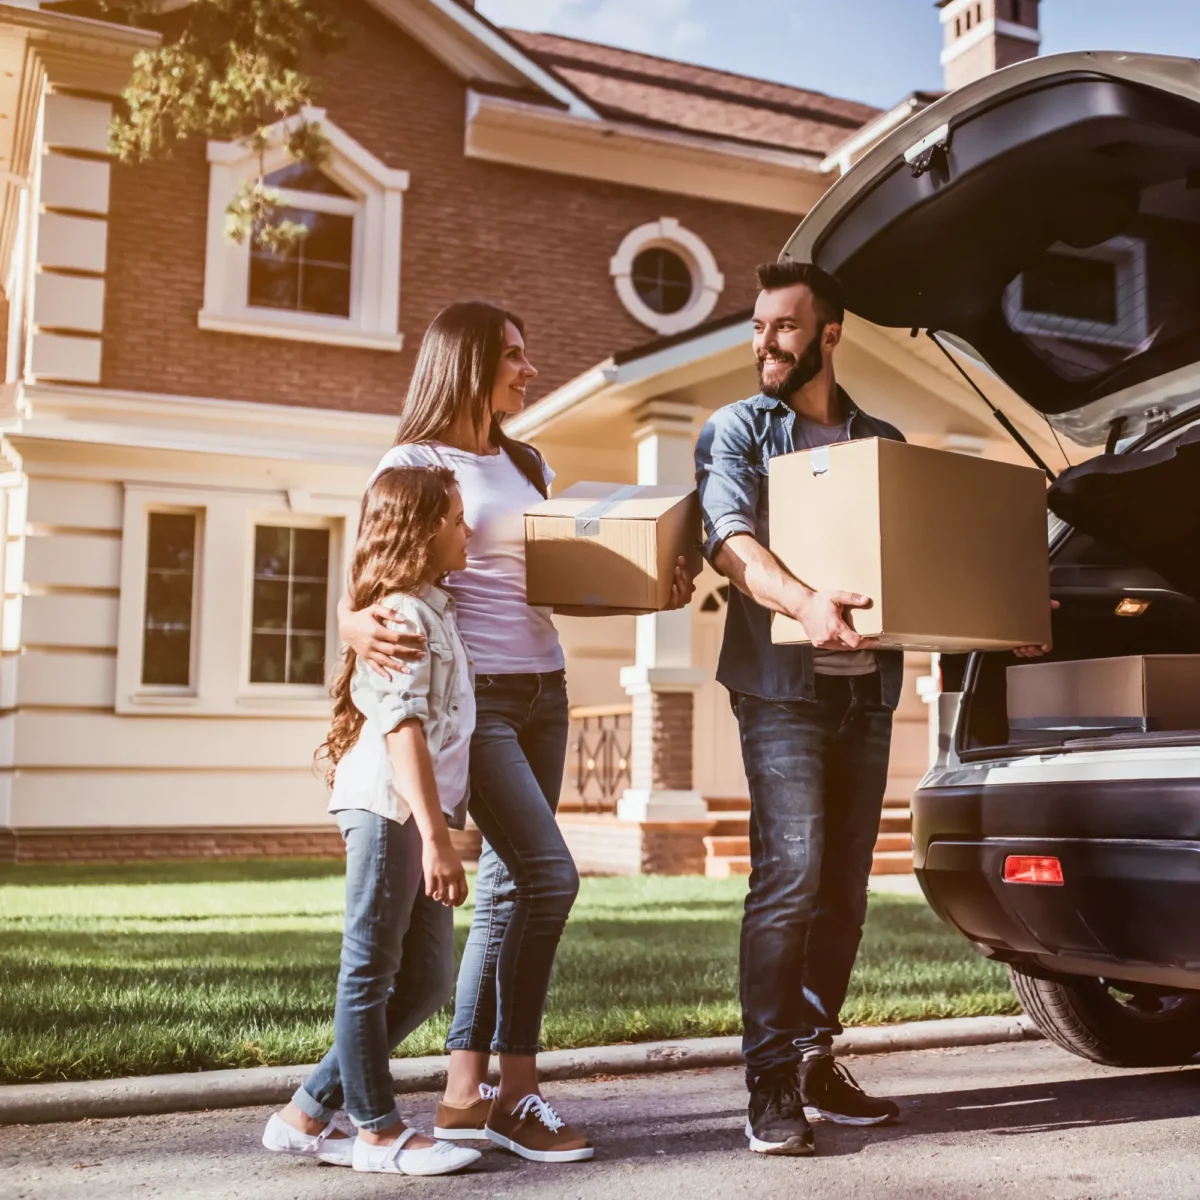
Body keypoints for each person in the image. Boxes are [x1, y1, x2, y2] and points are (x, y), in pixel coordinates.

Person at [695, 261, 1052, 1158]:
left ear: (829, 336)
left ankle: (816, 1057)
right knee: (790, 879)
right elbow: (731, 542)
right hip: (782, 694)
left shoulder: (877, 441)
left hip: (867, 695)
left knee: (845, 890)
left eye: (783, 326)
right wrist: (808, 602)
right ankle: (770, 1082)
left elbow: (926, 567)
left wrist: (1003, 623)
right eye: (758, 326)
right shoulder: (738, 429)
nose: (765, 343)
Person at [339, 300, 698, 1164]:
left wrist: (650, 586)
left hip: (546, 688)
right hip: (481, 701)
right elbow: (374, 574)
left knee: (509, 891)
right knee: (549, 878)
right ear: (465, 361)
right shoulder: (413, 461)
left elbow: (546, 582)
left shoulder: (525, 459)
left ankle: (466, 1095)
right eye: (512, 354)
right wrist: (352, 629)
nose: (527, 369)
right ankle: (517, 1090)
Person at [262, 465, 481, 1177]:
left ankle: (303, 1115)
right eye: (456, 518)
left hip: (412, 811)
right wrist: (436, 836)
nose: (467, 529)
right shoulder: (402, 618)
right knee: (371, 972)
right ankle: (378, 1132)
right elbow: (402, 731)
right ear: (423, 532)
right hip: (388, 808)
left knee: (423, 981)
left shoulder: (432, 607)